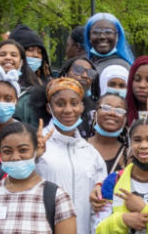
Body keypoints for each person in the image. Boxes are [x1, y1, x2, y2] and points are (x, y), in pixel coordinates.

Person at [37, 76, 110, 217]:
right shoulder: (36, 146)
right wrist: (32, 157)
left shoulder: (91, 154)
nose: (68, 110)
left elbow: (101, 206)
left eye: (74, 103)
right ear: (49, 107)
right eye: (60, 104)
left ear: (82, 107)